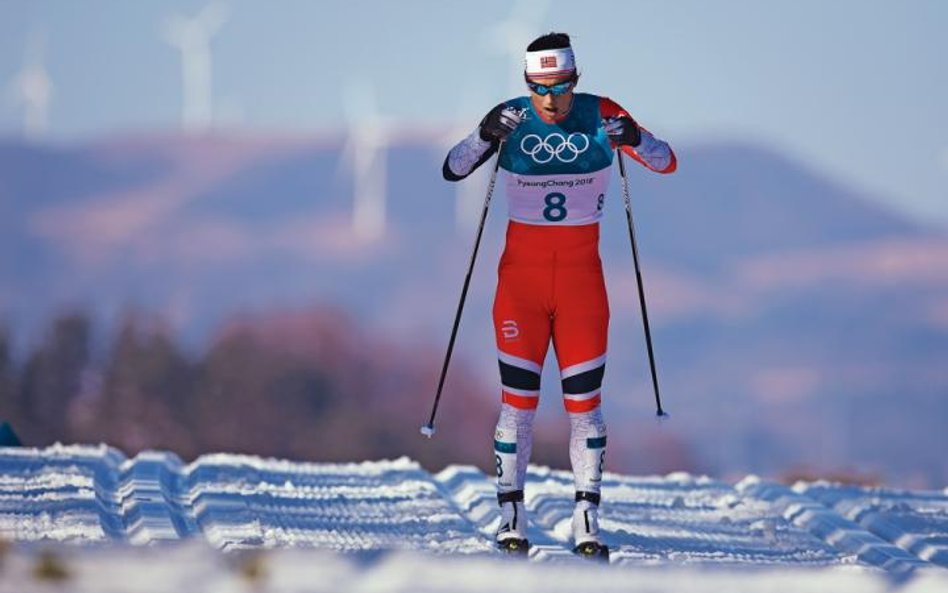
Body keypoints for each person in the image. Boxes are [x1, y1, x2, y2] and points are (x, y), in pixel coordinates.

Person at [442, 32, 676, 557]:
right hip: (520, 288)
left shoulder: (602, 114)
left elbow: (665, 162)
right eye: (539, 88)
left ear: (577, 79)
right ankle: (511, 516)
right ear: (527, 84)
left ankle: (586, 517)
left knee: (584, 407)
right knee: (518, 406)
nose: (550, 99)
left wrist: (634, 137)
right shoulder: (510, 117)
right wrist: (483, 134)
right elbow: (454, 167)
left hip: (581, 288)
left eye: (561, 86)